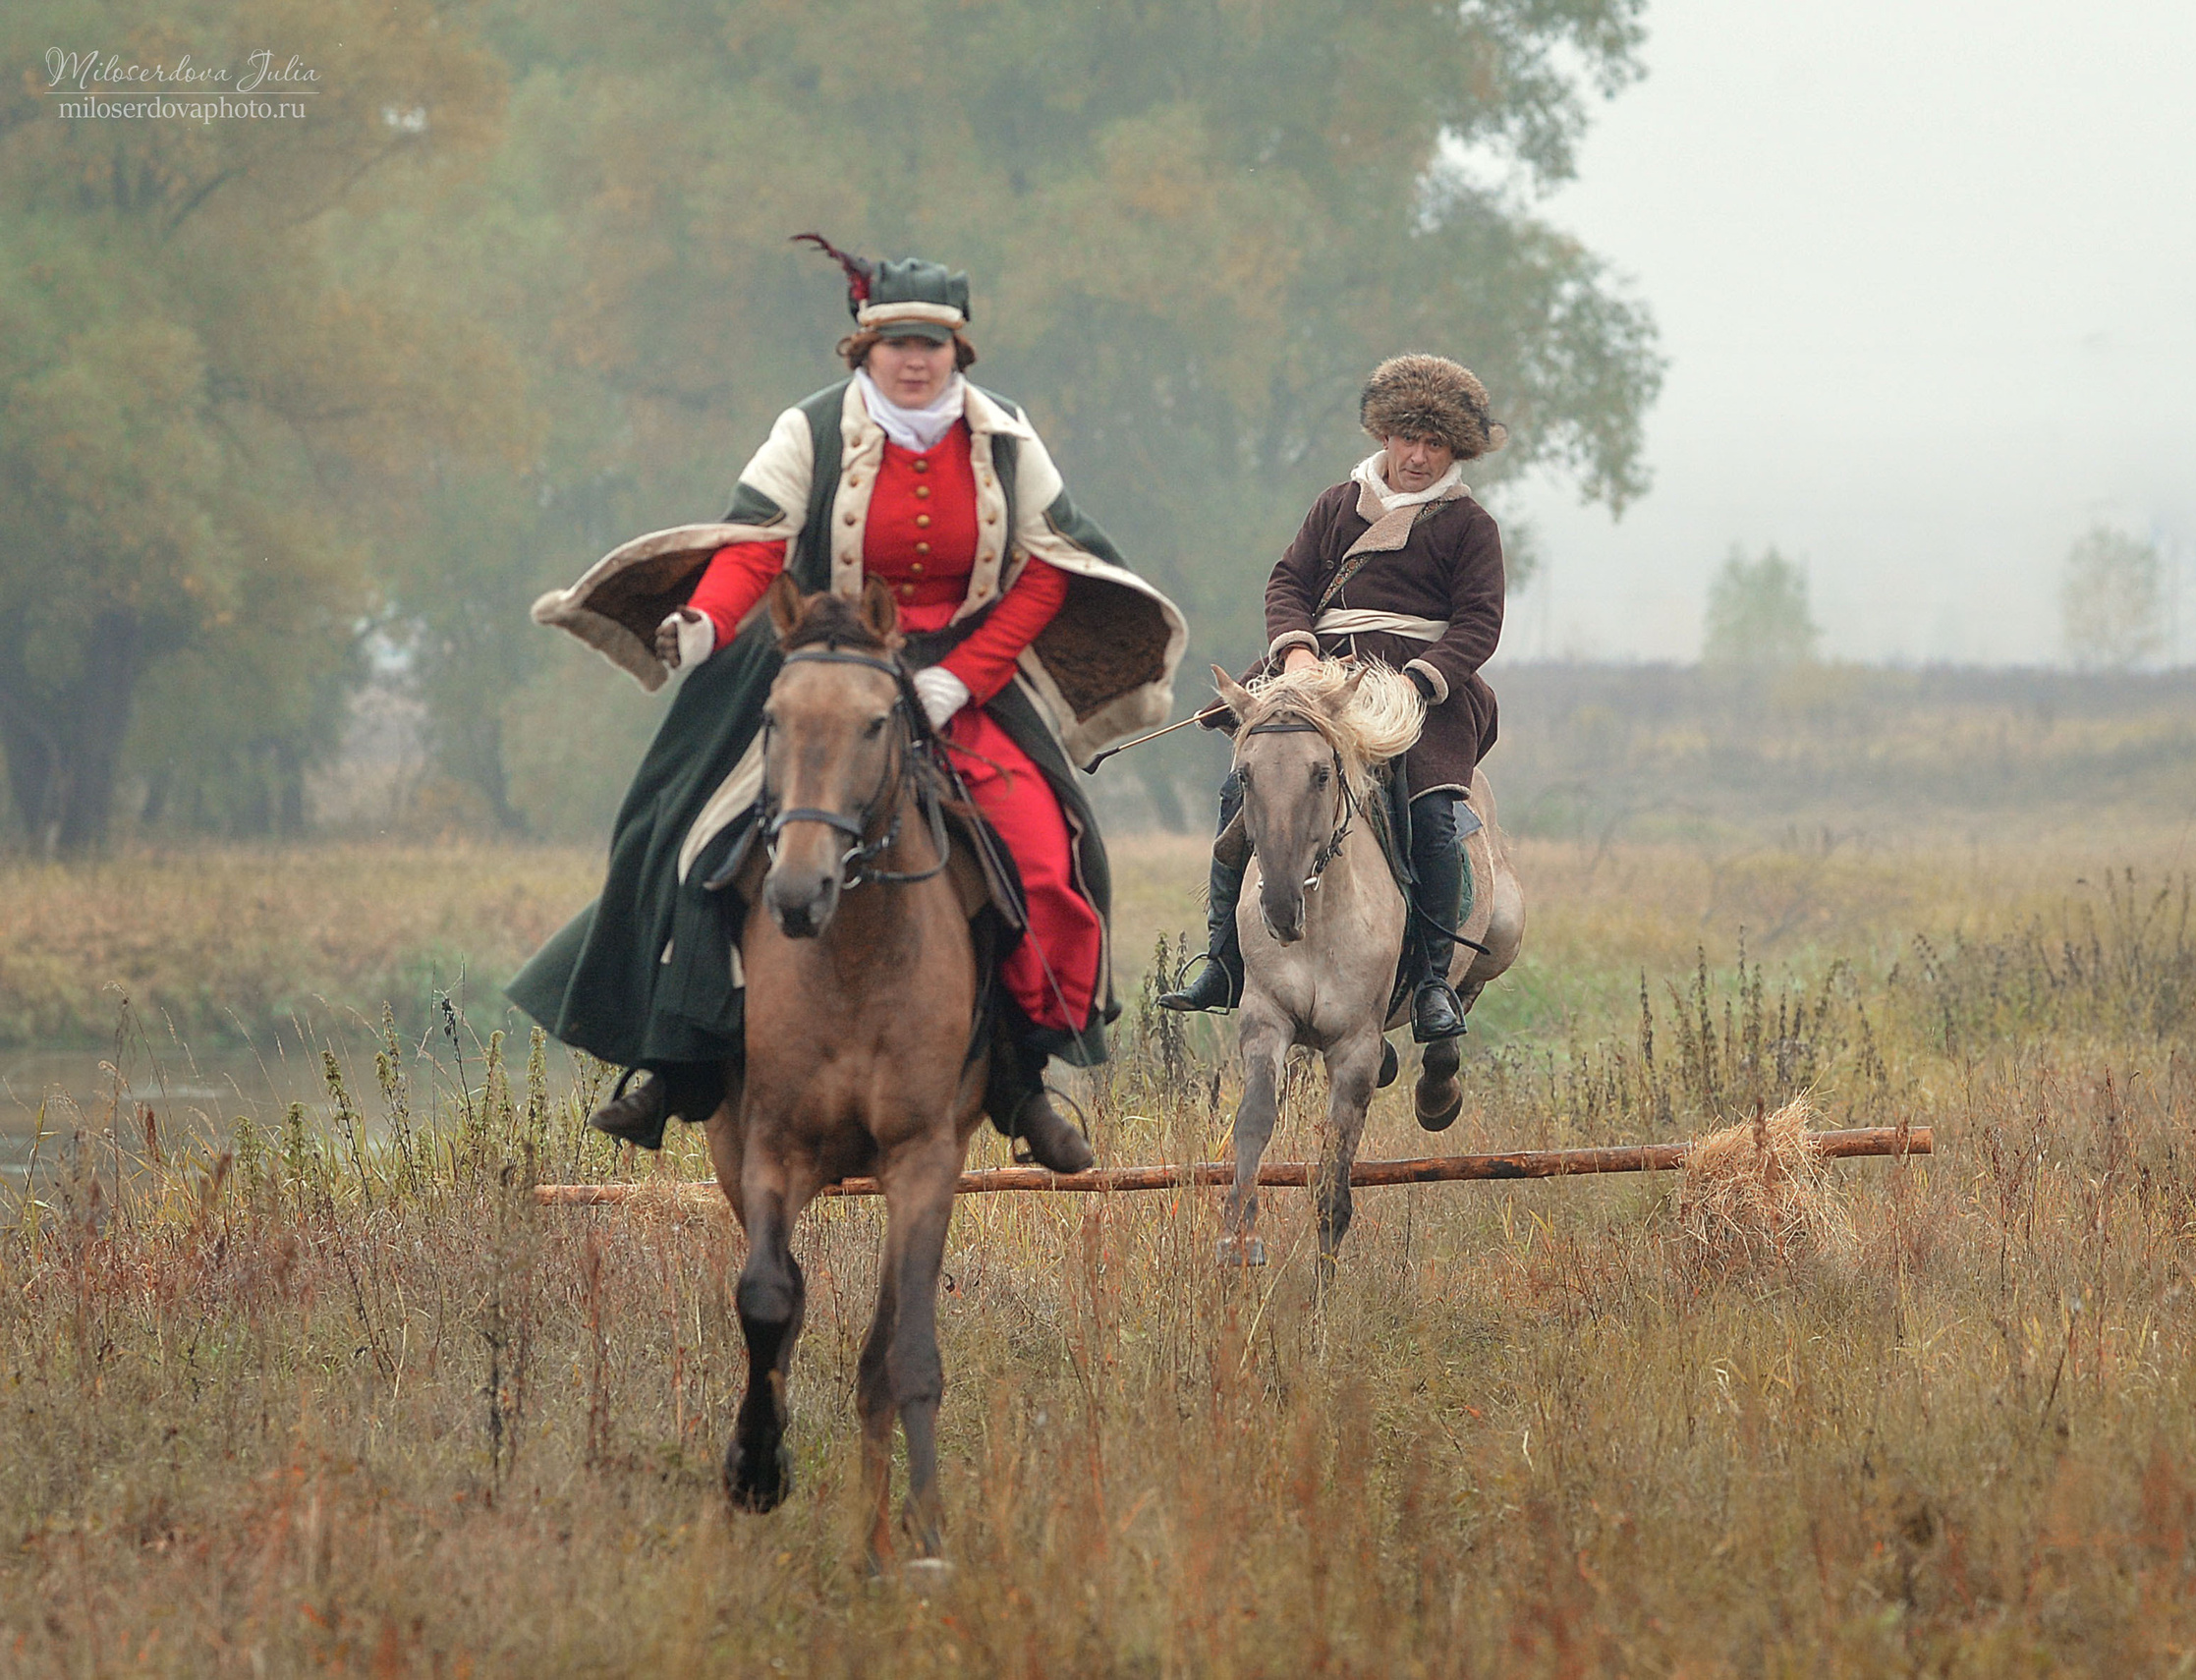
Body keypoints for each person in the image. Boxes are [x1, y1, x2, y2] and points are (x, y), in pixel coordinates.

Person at [511, 247, 1186, 1170]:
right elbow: (758, 546)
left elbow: (1046, 573)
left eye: (932, 345)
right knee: (689, 839)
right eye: (896, 343)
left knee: (1051, 850)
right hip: (817, 663)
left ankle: (1023, 1079)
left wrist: (963, 677)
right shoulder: (810, 428)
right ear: (863, 348)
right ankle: (676, 1062)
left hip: (960, 677)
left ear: (958, 352)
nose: (914, 359)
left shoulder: (1006, 437)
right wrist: (706, 621)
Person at [1158, 354, 1506, 1042]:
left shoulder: (1471, 527)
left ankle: (1433, 982)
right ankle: (1223, 961)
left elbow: (1479, 624)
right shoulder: (1337, 504)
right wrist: (1295, 651)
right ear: (1385, 436)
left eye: (1434, 443)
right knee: (1241, 791)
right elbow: (1288, 581)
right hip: (1318, 669)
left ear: (1454, 451)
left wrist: (1416, 682)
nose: (1417, 456)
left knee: (1431, 815)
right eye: (1407, 438)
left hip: (1415, 691)